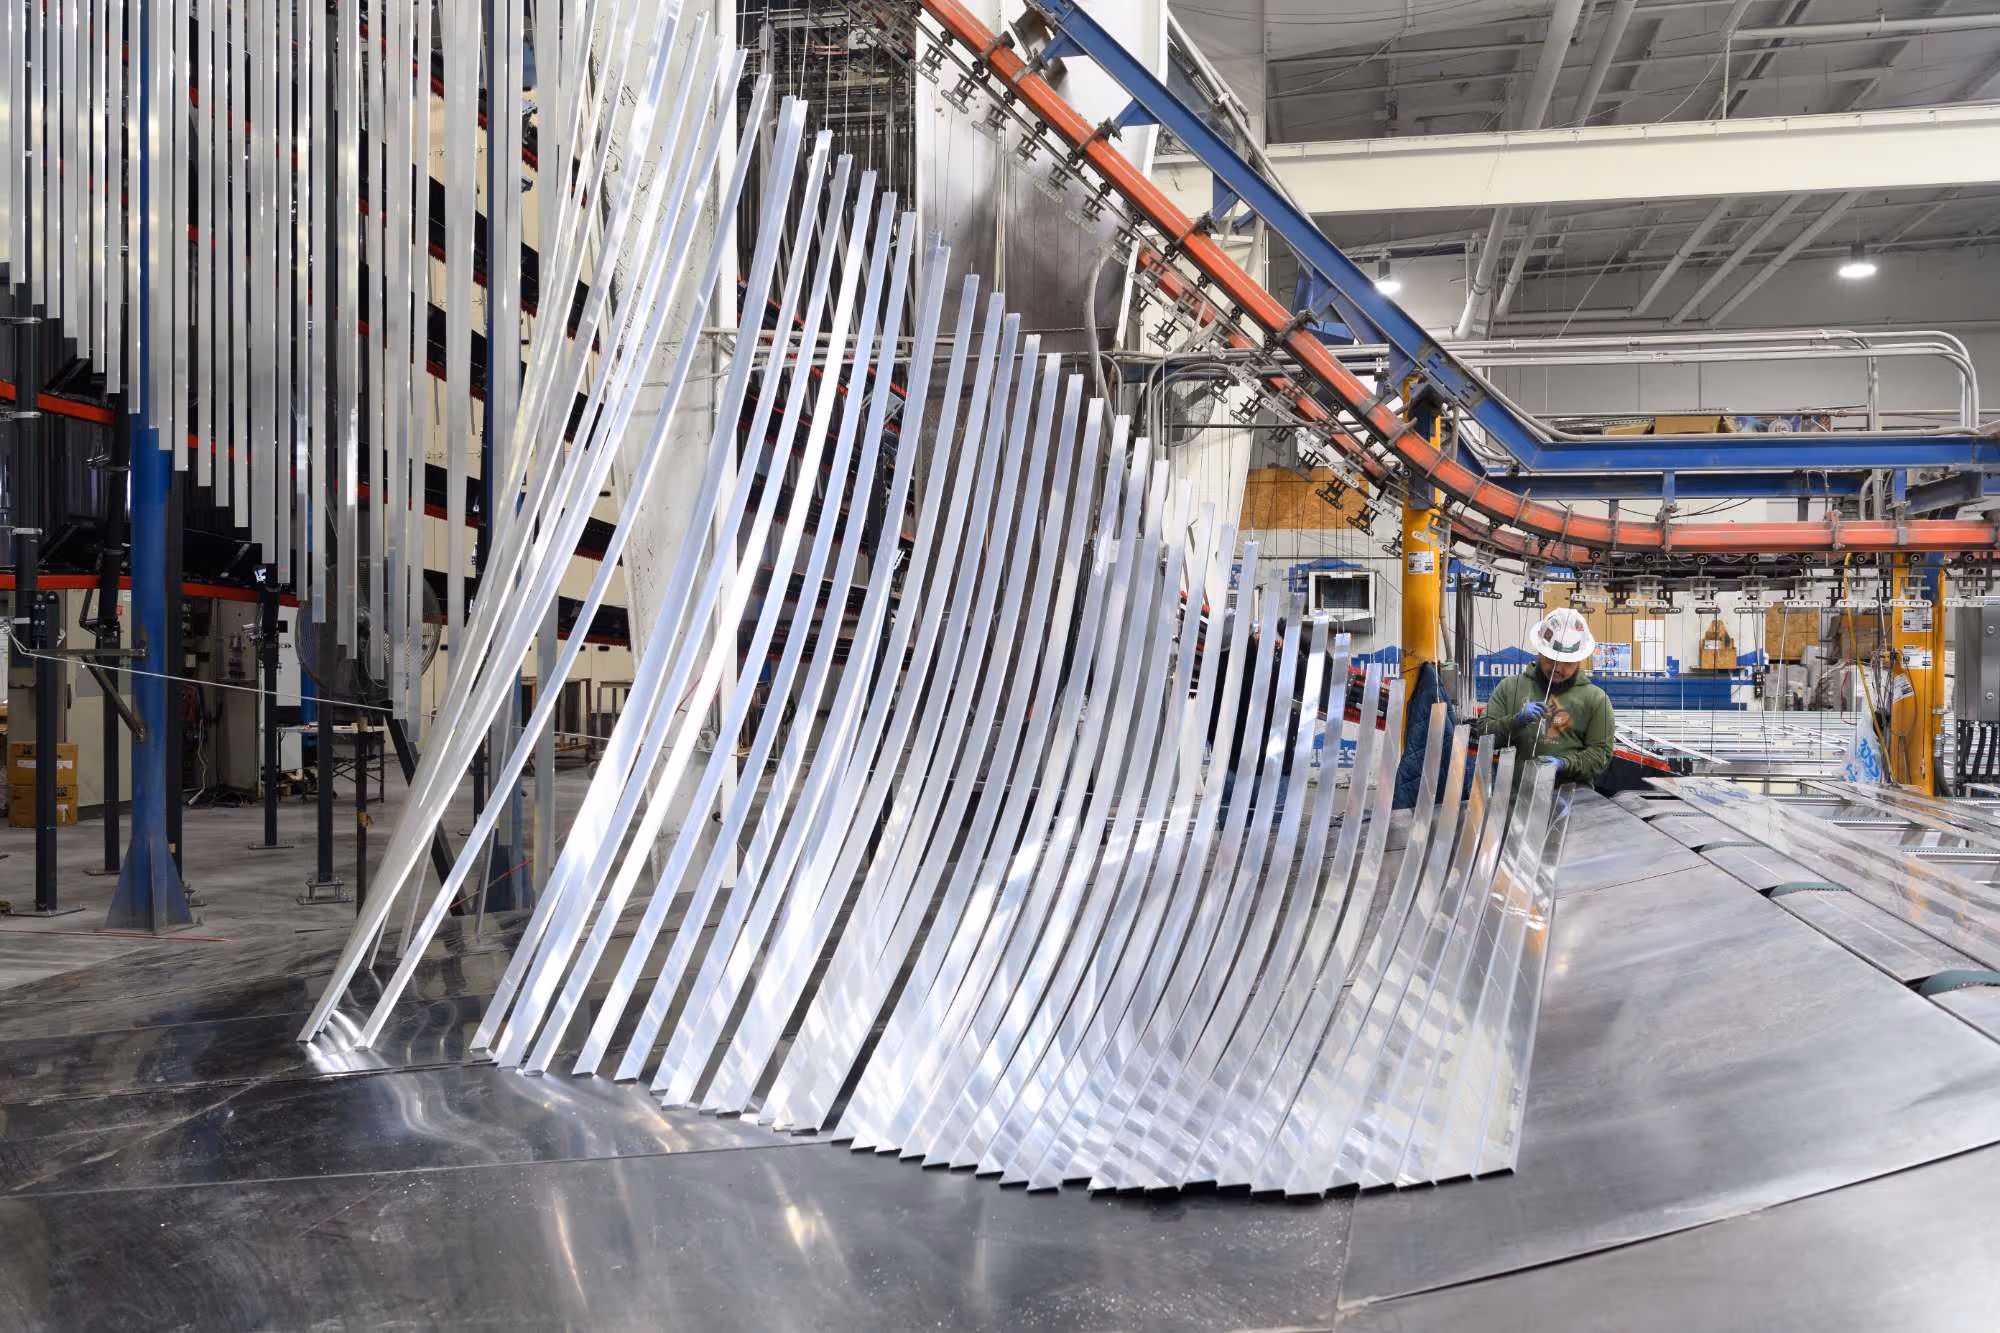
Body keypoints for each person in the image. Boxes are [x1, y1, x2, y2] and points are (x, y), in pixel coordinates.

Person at [1478, 607, 1614, 788]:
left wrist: (1564, 764)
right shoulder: (1510, 688)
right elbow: (1483, 734)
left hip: (1574, 804)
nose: (1558, 668)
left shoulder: (1596, 700)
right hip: (1516, 799)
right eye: (1551, 660)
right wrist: (1515, 721)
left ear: (1579, 660)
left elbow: (1601, 755)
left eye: (1567, 663)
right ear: (1539, 652)